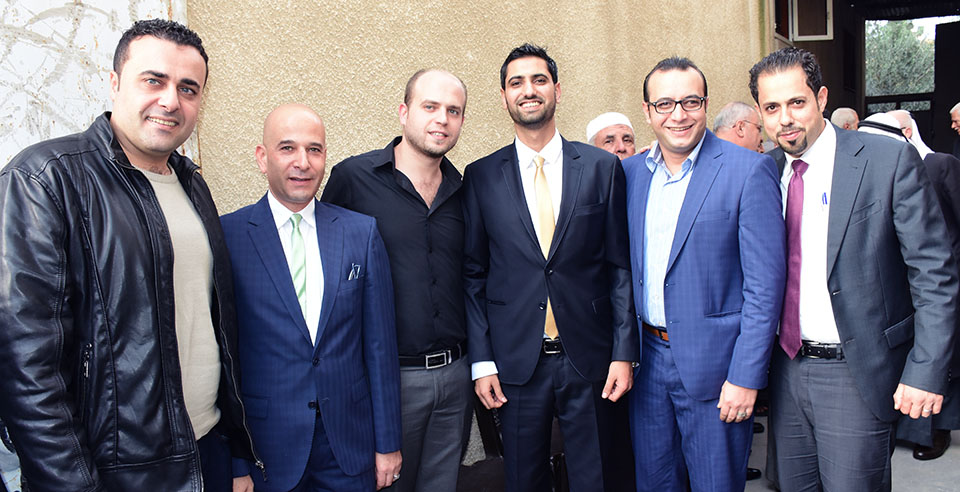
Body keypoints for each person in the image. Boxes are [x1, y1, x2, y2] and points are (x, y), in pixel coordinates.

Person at [0, 19, 258, 491]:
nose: (171, 101)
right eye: (153, 80)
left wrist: (235, 452)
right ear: (115, 82)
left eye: (188, 88)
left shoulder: (191, 184)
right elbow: (26, 366)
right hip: (114, 472)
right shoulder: (45, 180)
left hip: (206, 450)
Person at [750, 47, 958, 491]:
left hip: (856, 373)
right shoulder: (765, 172)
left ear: (822, 98)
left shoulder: (887, 161)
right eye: (772, 107)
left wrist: (925, 369)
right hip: (785, 371)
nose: (785, 119)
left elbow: (934, 276)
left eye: (797, 102)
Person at [463, 43, 639, 492]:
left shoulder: (600, 168)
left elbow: (619, 268)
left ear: (557, 90)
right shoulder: (481, 176)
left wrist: (623, 352)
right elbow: (474, 274)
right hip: (515, 364)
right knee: (524, 480)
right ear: (504, 96)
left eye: (539, 80)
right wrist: (482, 361)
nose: (529, 90)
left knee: (596, 478)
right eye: (516, 82)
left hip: (591, 359)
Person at [622, 57, 785, 492]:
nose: (678, 115)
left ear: (706, 105)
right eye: (665, 104)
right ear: (647, 111)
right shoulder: (631, 174)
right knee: (654, 484)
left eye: (690, 102)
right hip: (646, 365)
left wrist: (746, 376)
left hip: (718, 372)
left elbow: (765, 288)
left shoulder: (749, 170)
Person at [222, 104, 402, 491]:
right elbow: (225, 359)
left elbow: (380, 349)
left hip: (348, 447)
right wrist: (236, 462)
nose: (302, 162)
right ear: (262, 157)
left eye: (314, 149)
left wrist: (388, 444)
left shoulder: (360, 233)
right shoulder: (228, 236)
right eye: (287, 148)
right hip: (268, 451)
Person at [321, 69, 472, 492]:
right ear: (404, 113)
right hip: (387, 381)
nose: (442, 119)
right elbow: (326, 272)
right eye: (430, 107)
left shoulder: (464, 190)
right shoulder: (354, 179)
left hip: (455, 375)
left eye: (453, 111)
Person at [886, 109, 960, 461]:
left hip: (941, 274)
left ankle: (937, 428)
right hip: (902, 277)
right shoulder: (883, 170)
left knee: (941, 350)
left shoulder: (941, 164)